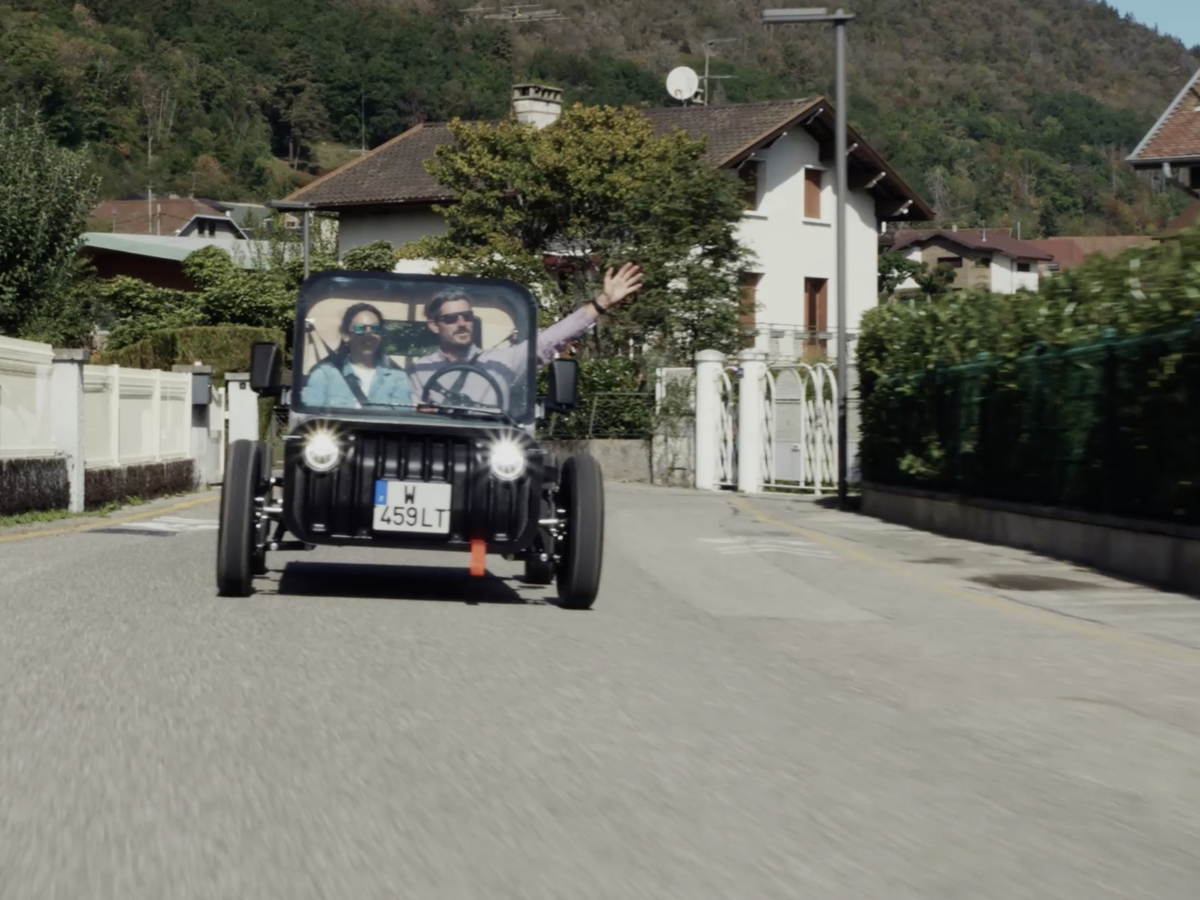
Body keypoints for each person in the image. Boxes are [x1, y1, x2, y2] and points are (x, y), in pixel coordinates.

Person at [408, 262, 644, 409]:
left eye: (467, 316)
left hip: (489, 452)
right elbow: (416, 416)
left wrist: (602, 302)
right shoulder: (421, 370)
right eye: (451, 318)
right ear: (434, 325)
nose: (461, 324)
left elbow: (549, 341)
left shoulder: (501, 361)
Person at [301, 302, 414, 409]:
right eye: (360, 328)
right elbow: (310, 417)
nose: (369, 333)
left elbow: (402, 421)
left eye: (375, 328)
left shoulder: (398, 378)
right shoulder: (324, 373)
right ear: (345, 335)